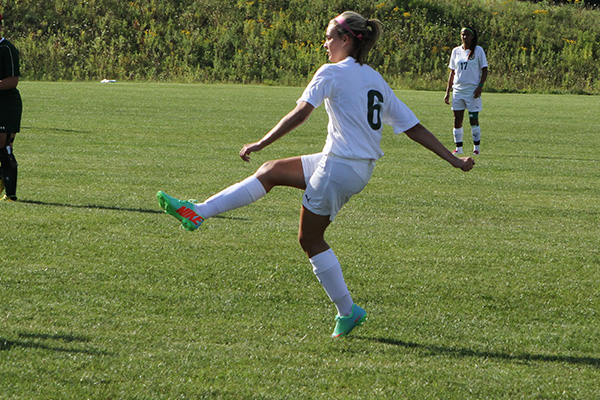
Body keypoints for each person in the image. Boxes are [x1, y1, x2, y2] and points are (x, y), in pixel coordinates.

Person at [157, 11, 475, 338]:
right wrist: (453, 160)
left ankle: (348, 311)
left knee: (310, 239)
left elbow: (300, 113)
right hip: (352, 166)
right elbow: (414, 127)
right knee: (271, 172)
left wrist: (261, 141)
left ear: (346, 39)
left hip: (339, 166)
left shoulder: (331, 73)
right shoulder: (374, 78)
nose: (325, 43)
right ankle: (198, 212)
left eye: (329, 37)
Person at [444, 26, 488, 155]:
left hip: (472, 90)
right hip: (458, 90)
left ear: (472, 36)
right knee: (457, 118)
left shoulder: (478, 51)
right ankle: (459, 148)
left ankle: (476, 148)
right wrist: (448, 91)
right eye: (463, 34)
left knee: (473, 118)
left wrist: (480, 86)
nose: (464, 37)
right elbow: (453, 72)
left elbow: (485, 70)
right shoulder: (456, 51)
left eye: (467, 35)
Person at [0, 14, 22, 201]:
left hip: (7, 104)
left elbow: (12, 81)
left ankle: (10, 194)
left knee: (4, 146)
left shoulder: (7, 49)